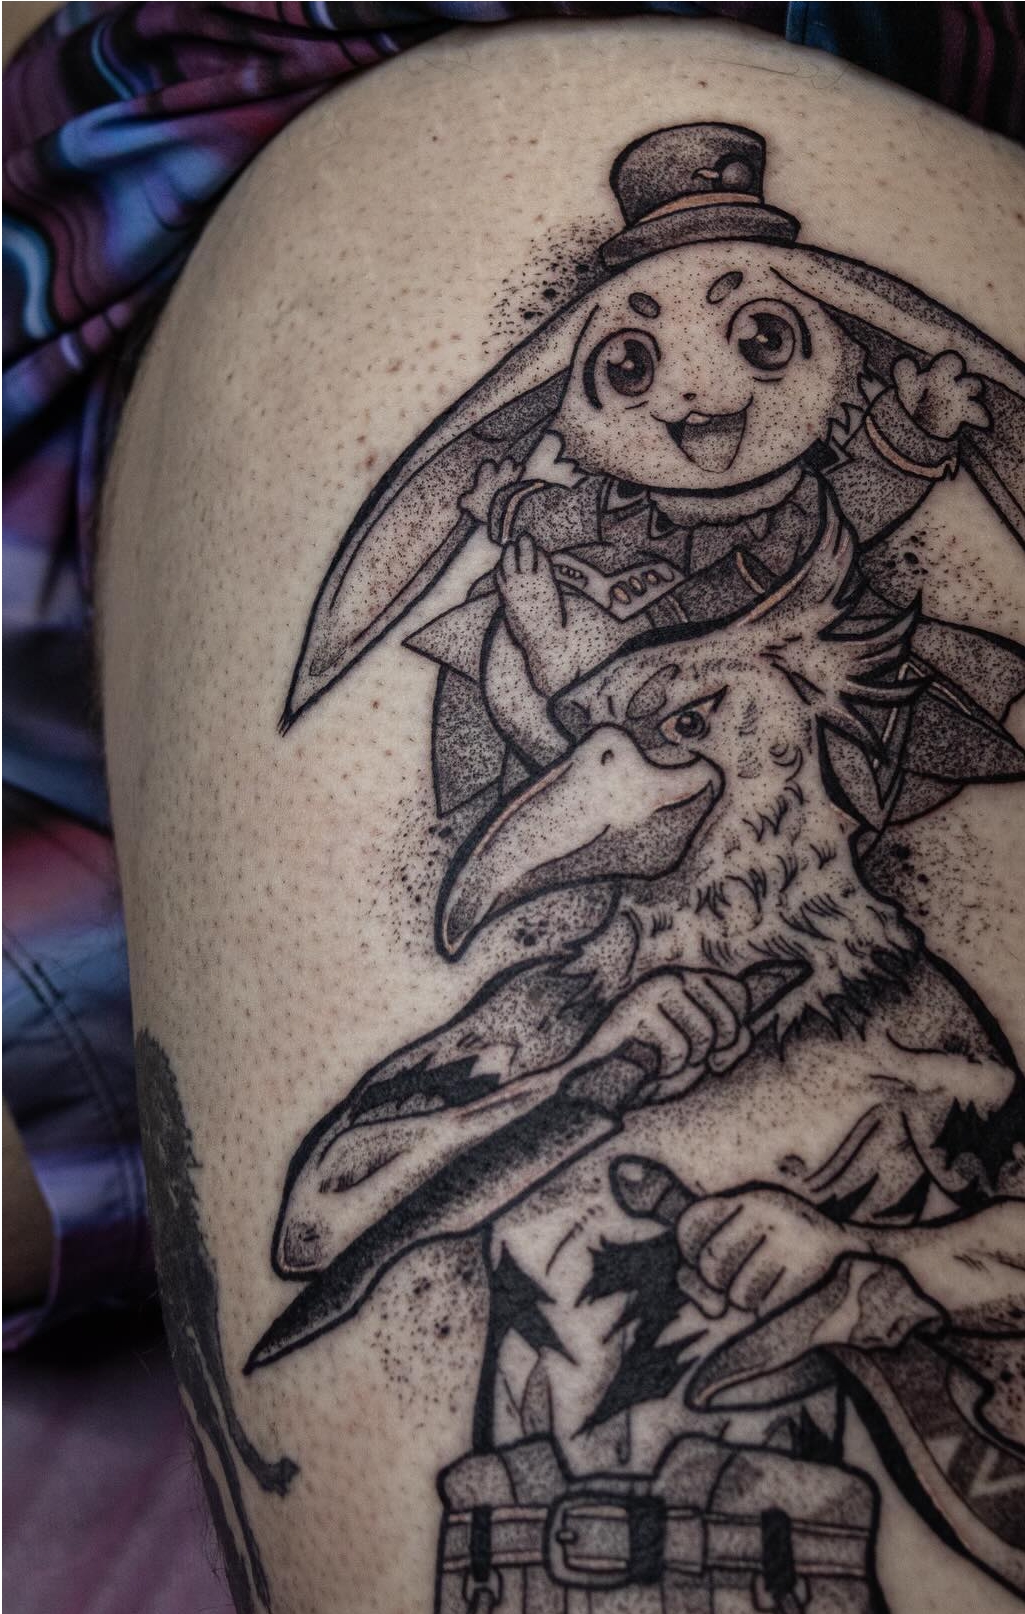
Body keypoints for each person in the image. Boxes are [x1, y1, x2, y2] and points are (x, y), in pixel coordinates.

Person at [4, 6, 1024, 1614]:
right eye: (629, 367)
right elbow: (331, 1199)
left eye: (764, 342)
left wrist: (875, 1268)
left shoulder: (904, 999)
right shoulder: (451, 245)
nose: (702, 407)